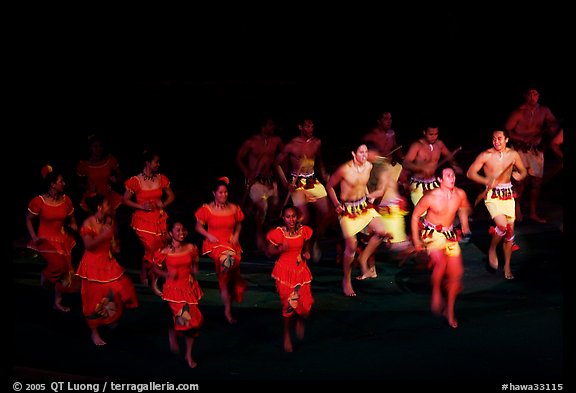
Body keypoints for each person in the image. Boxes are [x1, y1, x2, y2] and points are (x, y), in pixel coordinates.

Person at [326, 143, 391, 297]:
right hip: (348, 211)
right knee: (352, 246)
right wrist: (336, 204)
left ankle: (364, 257)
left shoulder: (368, 166)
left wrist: (369, 196)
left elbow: (362, 185)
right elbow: (329, 186)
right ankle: (346, 280)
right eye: (361, 152)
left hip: (363, 206)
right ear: (354, 154)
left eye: (366, 151)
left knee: (382, 231)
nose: (364, 155)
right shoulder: (345, 169)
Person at [410, 165, 471, 328]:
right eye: (448, 176)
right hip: (431, 234)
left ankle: (449, 310)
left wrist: (464, 224)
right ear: (440, 180)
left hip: (449, 235)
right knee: (440, 263)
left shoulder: (460, 194)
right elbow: (415, 216)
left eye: (453, 175)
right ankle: (436, 291)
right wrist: (416, 241)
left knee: (456, 275)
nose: (452, 178)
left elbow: (463, 207)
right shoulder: (431, 197)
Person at [76, 194, 138, 345]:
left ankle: (111, 318)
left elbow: (112, 239)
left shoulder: (109, 220)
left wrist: (114, 244)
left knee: (121, 289)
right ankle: (94, 332)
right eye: (107, 204)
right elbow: (89, 246)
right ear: (99, 207)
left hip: (108, 262)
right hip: (92, 265)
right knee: (94, 300)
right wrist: (103, 236)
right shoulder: (88, 223)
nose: (110, 207)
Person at [466, 130, 528, 279]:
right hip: (492, 196)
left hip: (507, 195)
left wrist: (519, 175)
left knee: (509, 234)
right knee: (501, 226)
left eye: (500, 139)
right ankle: (492, 249)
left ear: (506, 139)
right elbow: (470, 173)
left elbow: (524, 171)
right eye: (494, 139)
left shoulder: (513, 155)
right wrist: (486, 181)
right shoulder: (486, 155)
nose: (496, 141)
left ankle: (507, 266)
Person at [275, 118, 332, 262]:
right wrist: (286, 183)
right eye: (307, 126)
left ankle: (315, 240)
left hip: (312, 181)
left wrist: (324, 173)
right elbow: (277, 164)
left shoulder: (316, 142)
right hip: (297, 183)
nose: (310, 129)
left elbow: (320, 160)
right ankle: (304, 248)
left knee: (327, 213)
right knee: (303, 218)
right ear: (300, 127)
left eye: (312, 126)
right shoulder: (292, 145)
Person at [26, 165, 79, 312]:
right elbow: (29, 219)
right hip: (45, 240)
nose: (64, 184)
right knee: (59, 266)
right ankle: (45, 276)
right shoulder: (39, 201)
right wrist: (34, 236)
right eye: (61, 181)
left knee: (67, 274)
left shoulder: (66, 200)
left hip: (62, 238)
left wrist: (74, 224)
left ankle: (57, 302)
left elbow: (72, 217)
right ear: (52, 184)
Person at [195, 177, 247, 324]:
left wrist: (236, 235)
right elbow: (198, 227)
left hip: (231, 244)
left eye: (225, 193)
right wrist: (208, 235)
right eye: (220, 193)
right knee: (226, 264)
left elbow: (239, 224)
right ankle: (228, 311)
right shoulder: (207, 209)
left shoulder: (234, 208)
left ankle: (230, 297)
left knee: (229, 277)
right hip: (216, 245)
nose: (223, 195)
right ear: (214, 193)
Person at [153, 219, 203, 368]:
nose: (182, 233)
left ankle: (188, 353)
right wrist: (166, 275)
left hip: (189, 288)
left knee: (195, 323)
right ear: (170, 233)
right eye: (178, 230)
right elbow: (155, 269)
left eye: (183, 230)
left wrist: (195, 269)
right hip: (174, 290)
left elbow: (195, 266)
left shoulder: (191, 248)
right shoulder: (164, 252)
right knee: (187, 320)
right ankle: (174, 332)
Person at [504, 87, 558, 223]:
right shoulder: (519, 112)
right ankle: (516, 208)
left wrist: (552, 128)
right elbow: (507, 131)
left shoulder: (544, 110)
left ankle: (533, 212)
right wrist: (521, 139)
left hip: (535, 151)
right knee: (520, 182)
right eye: (530, 94)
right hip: (520, 151)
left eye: (535, 94)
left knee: (536, 183)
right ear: (525, 95)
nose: (533, 97)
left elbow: (553, 126)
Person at [123, 149, 175, 286]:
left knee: (158, 249)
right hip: (143, 220)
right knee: (151, 248)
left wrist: (162, 204)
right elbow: (125, 200)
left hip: (159, 219)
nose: (158, 164)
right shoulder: (136, 180)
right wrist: (141, 207)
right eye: (156, 162)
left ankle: (146, 273)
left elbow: (171, 196)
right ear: (148, 162)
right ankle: (154, 280)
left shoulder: (161, 178)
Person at [266, 205, 314, 353]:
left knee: (304, 304)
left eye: (293, 216)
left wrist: (306, 252)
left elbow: (306, 243)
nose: (291, 219)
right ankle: (286, 335)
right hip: (285, 273)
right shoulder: (279, 233)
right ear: (283, 218)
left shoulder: (303, 231)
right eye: (288, 217)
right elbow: (270, 251)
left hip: (301, 272)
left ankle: (300, 319)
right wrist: (281, 249)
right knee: (288, 305)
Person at [236, 117, 284, 252]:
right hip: (256, 181)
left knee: (274, 207)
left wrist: (283, 171)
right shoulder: (252, 142)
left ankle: (265, 227)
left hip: (270, 180)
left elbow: (283, 155)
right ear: (263, 127)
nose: (273, 128)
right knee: (262, 206)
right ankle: (259, 233)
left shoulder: (276, 141)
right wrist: (247, 173)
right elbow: (239, 157)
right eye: (270, 125)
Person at [402, 125, 463, 208]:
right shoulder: (417, 146)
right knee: (422, 212)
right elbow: (405, 163)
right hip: (418, 184)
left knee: (441, 208)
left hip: (433, 182)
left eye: (436, 134)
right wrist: (420, 168)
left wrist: (455, 165)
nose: (434, 137)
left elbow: (449, 156)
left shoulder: (439, 144)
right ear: (424, 133)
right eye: (431, 134)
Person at [76, 134, 124, 215]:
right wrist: (88, 186)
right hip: (93, 198)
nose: (98, 149)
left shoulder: (110, 159)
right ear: (90, 147)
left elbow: (121, 176)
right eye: (95, 146)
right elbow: (78, 183)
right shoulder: (84, 165)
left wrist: (116, 179)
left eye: (100, 146)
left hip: (108, 196)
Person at [362, 111, 408, 192]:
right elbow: (367, 157)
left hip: (390, 164)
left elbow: (395, 146)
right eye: (386, 119)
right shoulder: (371, 136)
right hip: (376, 168)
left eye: (390, 119)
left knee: (404, 173)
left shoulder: (391, 133)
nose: (389, 121)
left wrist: (401, 157)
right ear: (379, 121)